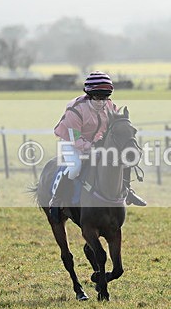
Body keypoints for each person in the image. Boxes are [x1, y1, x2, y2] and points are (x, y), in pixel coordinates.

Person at [49, 70, 146, 212]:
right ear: (89, 95)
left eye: (105, 97)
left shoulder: (110, 106)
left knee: (121, 160)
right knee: (75, 166)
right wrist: (91, 148)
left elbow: (116, 125)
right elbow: (75, 139)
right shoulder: (75, 110)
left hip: (95, 142)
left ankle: (128, 192)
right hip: (71, 141)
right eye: (97, 97)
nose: (101, 102)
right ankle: (58, 198)